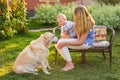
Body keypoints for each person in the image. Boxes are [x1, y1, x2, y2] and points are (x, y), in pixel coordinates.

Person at [55, 5, 95, 71]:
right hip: (80, 41)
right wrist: (66, 37)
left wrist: (64, 43)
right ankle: (69, 63)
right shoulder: (79, 23)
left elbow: (80, 42)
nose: (74, 16)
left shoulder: (88, 23)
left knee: (61, 44)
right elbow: (78, 38)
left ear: (78, 15)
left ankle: (69, 64)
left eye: (75, 14)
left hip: (86, 44)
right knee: (59, 43)